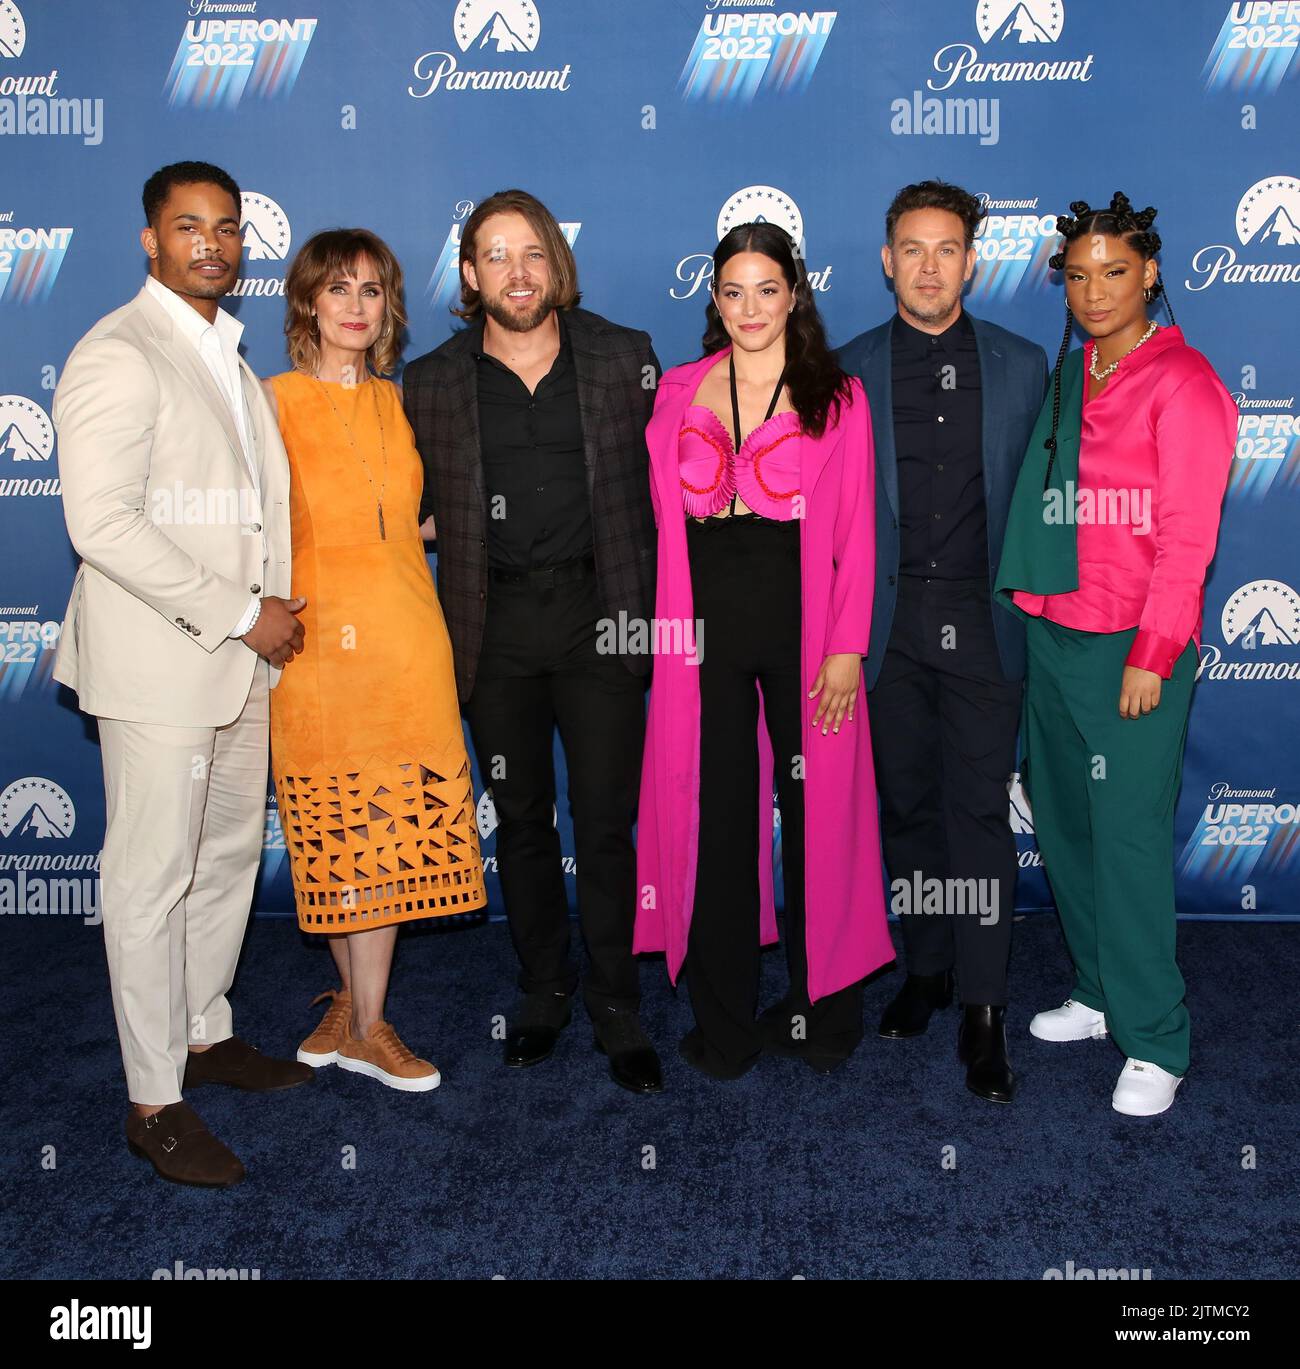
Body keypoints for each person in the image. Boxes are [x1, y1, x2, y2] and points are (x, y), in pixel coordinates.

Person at [52, 161, 310, 1189]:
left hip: (239, 664)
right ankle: (153, 1101)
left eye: (227, 227)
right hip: (165, 663)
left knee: (225, 859)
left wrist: (262, 628)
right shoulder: (118, 352)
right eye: (187, 226)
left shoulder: (226, 357)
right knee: (150, 879)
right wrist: (248, 615)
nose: (212, 242)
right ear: (149, 240)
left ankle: (205, 1033)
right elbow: (101, 521)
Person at [402, 189, 663, 1094]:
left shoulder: (624, 358)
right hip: (494, 630)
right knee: (518, 819)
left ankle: (617, 1000)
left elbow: (667, 493)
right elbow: (404, 510)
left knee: (603, 822)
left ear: (556, 263)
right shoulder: (431, 381)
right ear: (470, 276)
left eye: (532, 254)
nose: (517, 272)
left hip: (602, 620)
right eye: (496, 256)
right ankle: (546, 987)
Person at [996, 192, 1236, 1116]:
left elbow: (1187, 539)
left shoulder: (1186, 383)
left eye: (1116, 272)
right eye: (1079, 275)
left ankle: (1156, 1036)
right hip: (1055, 632)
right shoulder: (1076, 369)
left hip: (1133, 650)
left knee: (1128, 841)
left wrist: (1156, 649)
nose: (1094, 291)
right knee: (1065, 825)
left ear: (1153, 276)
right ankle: (1099, 992)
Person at [635, 221, 891, 1079]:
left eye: (767, 290)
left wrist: (847, 648)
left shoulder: (837, 397)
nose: (750, 308)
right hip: (702, 635)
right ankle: (725, 1018)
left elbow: (857, 536)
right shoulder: (676, 392)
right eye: (733, 291)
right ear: (715, 298)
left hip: (805, 629)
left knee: (819, 813)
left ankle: (825, 1013)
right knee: (714, 818)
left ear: (795, 294)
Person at [838, 181, 1049, 1103]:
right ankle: (927, 969)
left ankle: (985, 1008)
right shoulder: (844, 369)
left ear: (972, 259)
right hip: (886, 632)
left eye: (947, 248)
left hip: (985, 628)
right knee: (908, 809)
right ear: (888, 259)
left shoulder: (1023, 364)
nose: (929, 265)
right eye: (912, 249)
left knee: (978, 816)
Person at [264, 229, 487, 1092]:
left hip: (407, 641)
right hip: (317, 648)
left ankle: (362, 1016)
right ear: (308, 304)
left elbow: (414, 520)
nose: (356, 306)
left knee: (389, 833)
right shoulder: (271, 401)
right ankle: (363, 1015)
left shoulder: (403, 402)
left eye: (371, 290)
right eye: (338, 289)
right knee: (339, 830)